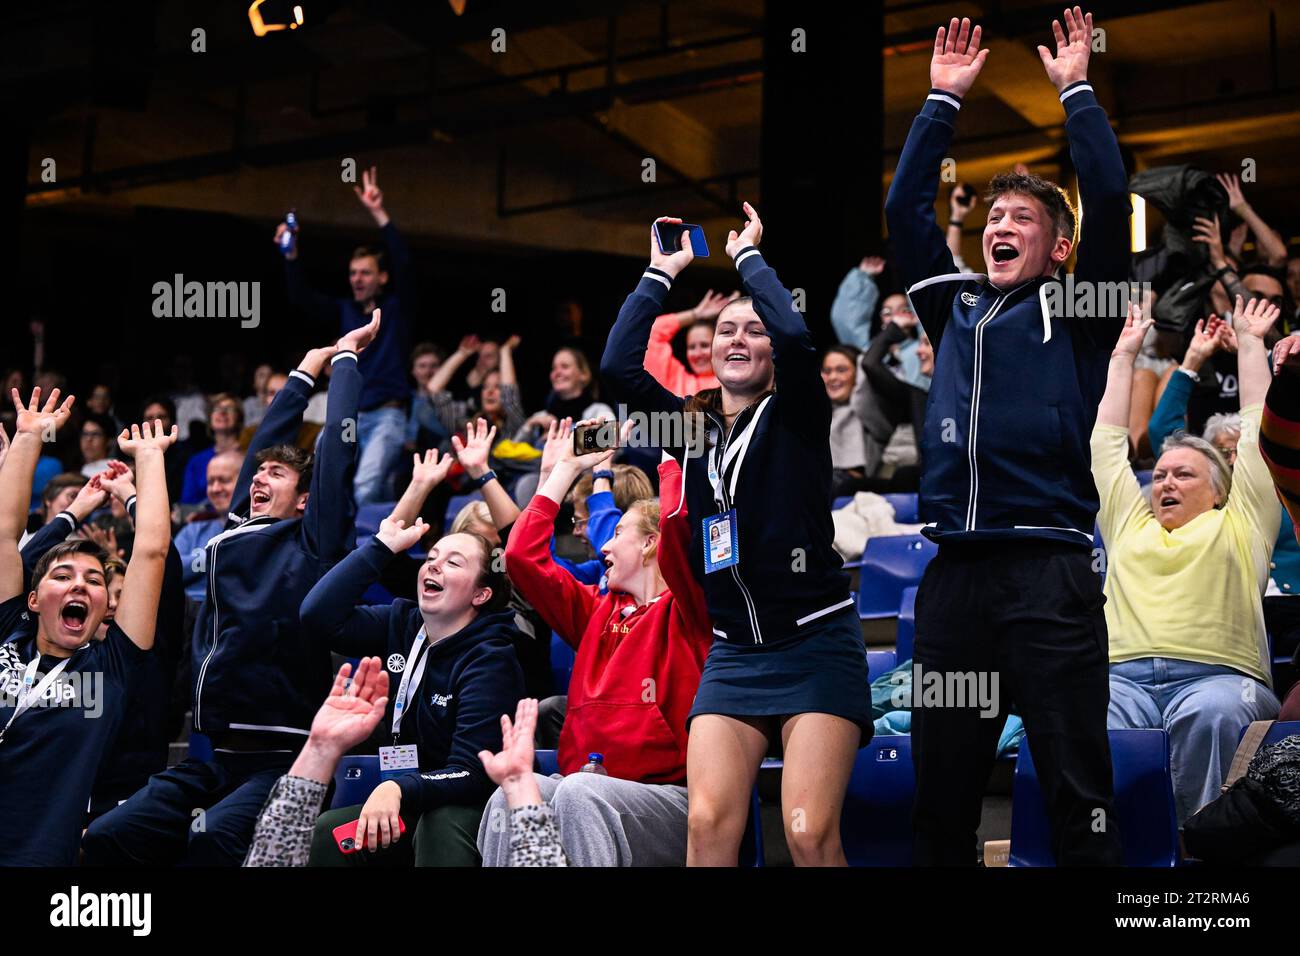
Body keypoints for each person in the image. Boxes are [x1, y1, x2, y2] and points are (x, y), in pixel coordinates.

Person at [884, 10, 1127, 864]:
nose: (1002, 225)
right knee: (940, 806)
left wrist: (1077, 92)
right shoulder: (950, 304)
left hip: (1050, 579)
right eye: (996, 217)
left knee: (1076, 796)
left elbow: (1103, 185)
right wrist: (941, 103)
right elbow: (904, 208)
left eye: (1024, 218)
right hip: (954, 584)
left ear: (1060, 248)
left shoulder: (1084, 309)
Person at [602, 206, 871, 866]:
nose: (737, 338)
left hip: (815, 642)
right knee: (708, 825)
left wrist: (750, 257)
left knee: (806, 831)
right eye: (725, 329)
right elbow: (617, 368)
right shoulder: (690, 430)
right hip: (735, 655)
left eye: (753, 329)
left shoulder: (798, 415)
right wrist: (660, 274)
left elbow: (800, 342)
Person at [82, 317, 377, 867]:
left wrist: (342, 362)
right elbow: (263, 443)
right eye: (257, 473)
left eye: (276, 477)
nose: (260, 478)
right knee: (107, 835)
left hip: (282, 755)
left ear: (305, 501)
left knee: (213, 839)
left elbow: (337, 451)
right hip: (213, 753)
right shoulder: (238, 530)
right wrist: (303, 370)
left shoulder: (314, 538)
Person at [1094, 299, 1282, 822]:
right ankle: (1118, 852)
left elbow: (1258, 430)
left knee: (1213, 713)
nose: (1165, 482)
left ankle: (1200, 852)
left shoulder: (1241, 522)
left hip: (1217, 679)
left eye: (1183, 474)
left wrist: (1249, 344)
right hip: (1122, 678)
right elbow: (1106, 448)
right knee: (1088, 708)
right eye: (1158, 475)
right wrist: (1122, 356)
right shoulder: (1130, 526)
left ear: (1220, 491)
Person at [481, 445, 711, 866]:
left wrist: (672, 455)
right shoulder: (593, 610)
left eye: (618, 532)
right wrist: (566, 468)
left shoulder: (690, 610)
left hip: (674, 802)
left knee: (578, 793)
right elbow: (521, 557)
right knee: (506, 799)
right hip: (585, 792)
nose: (604, 545)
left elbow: (679, 528)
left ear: (649, 544)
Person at [301, 466, 525, 867]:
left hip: (470, 806)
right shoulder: (402, 623)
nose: (433, 566)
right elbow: (317, 616)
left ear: (481, 594)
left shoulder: (491, 657)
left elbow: (472, 773)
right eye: (432, 557)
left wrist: (402, 789)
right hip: (409, 797)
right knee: (328, 835)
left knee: (441, 822)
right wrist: (382, 546)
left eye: (454, 563)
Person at [0, 388, 175, 865]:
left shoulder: (112, 666)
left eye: (94, 581)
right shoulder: (5, 632)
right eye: (62, 576)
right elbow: (3, 529)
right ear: (33, 601)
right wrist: (29, 436)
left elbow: (152, 551)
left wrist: (149, 459)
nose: (80, 586)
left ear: (105, 607)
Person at [278, 166, 412, 504]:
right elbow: (301, 298)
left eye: (366, 272)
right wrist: (291, 257)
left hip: (387, 415)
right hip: (350, 413)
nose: (357, 278)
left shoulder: (396, 309)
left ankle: (373, 550)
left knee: (368, 486)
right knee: (323, 477)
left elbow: (406, 265)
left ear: (382, 277)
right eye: (353, 273)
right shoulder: (344, 310)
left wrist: (378, 212)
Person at [644, 289, 728, 396]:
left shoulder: (734, 382)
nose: (698, 353)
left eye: (705, 345)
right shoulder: (676, 380)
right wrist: (696, 314)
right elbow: (651, 332)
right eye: (692, 347)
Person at [179, 394, 243, 505]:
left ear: (239, 418)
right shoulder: (196, 462)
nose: (222, 413)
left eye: (229, 409)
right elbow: (187, 504)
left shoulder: (249, 456)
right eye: (216, 409)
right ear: (210, 419)